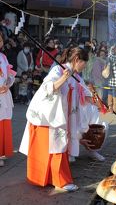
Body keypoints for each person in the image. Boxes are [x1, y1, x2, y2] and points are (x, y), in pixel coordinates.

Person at [19, 47, 91, 191]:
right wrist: (64, 77)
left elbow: (83, 93)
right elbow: (47, 87)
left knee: (57, 147)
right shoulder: (58, 70)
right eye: (84, 62)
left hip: (63, 117)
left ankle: (52, 179)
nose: (85, 66)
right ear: (77, 60)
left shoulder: (76, 76)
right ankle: (61, 181)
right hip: (51, 118)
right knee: (56, 148)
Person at [0, 32, 16, 167]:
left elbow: (10, 75)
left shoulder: (3, 57)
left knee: (3, 124)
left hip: (4, 94)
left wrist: (8, 84)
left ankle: (1, 152)